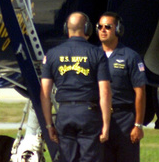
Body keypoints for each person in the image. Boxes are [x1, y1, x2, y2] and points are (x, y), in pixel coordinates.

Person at [41, 12, 111, 162]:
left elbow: (45, 94)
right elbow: (105, 92)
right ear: (87, 28)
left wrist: (48, 124)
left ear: (66, 29)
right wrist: (106, 124)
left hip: (65, 113)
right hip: (88, 113)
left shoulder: (52, 54)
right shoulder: (97, 54)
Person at [97, 12, 146, 162]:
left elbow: (140, 92)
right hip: (98, 118)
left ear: (118, 30)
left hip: (124, 118)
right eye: (100, 27)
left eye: (108, 27)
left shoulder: (130, 56)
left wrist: (138, 125)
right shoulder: (92, 55)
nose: (103, 30)